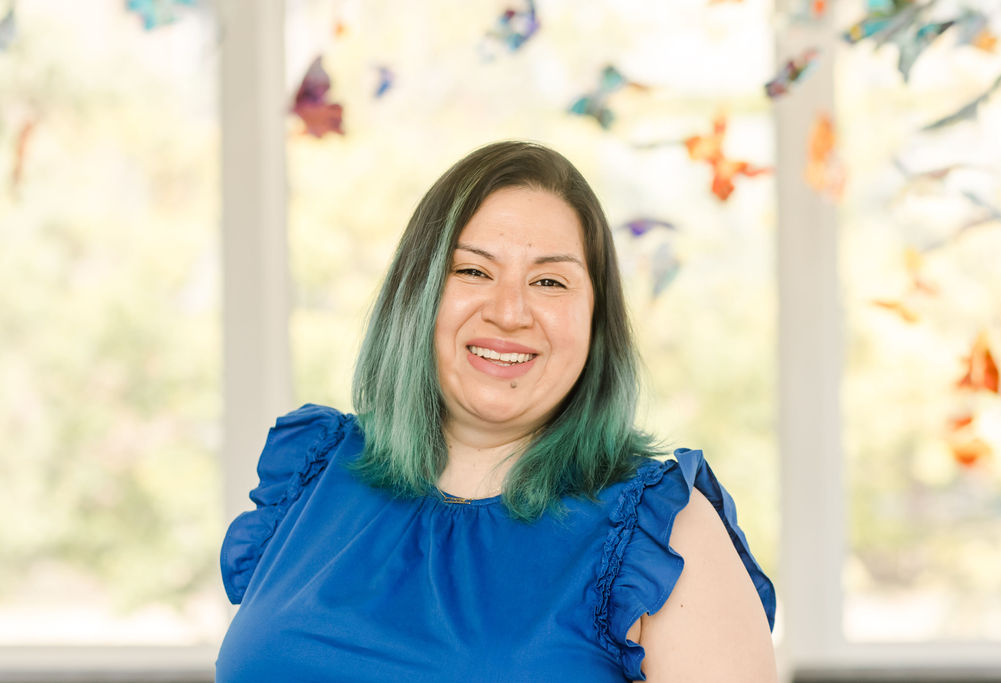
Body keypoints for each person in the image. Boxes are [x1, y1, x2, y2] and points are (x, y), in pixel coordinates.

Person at [216, 141, 777, 681]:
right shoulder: (312, 472)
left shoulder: (667, 533)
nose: (509, 313)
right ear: (415, 294)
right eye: (473, 271)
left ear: (595, 321)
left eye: (549, 281)